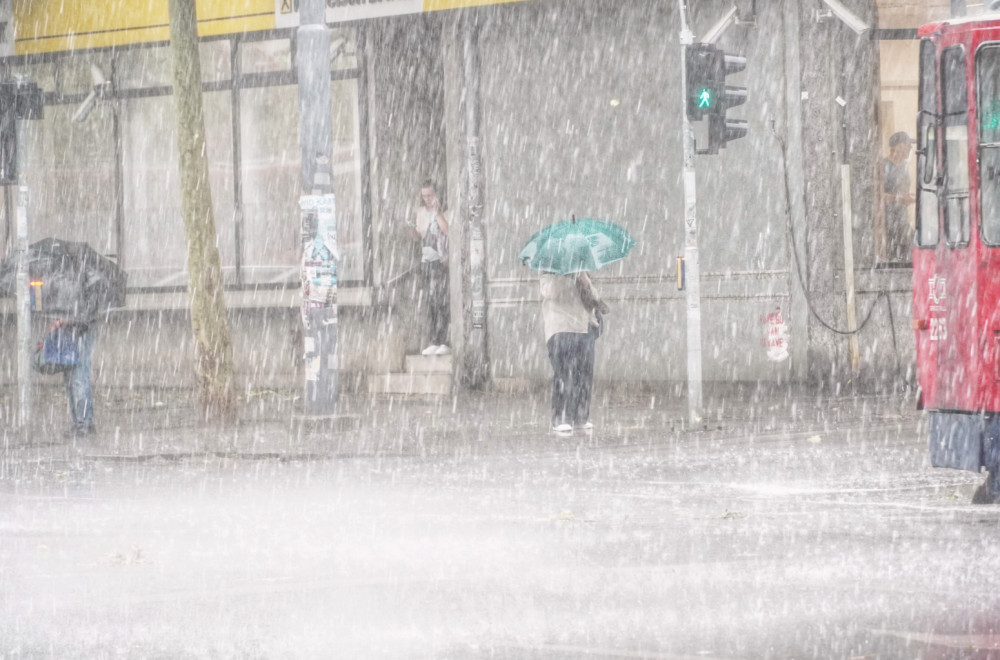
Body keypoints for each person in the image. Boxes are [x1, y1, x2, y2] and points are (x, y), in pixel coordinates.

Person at [540, 271, 608, 435]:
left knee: (584, 375)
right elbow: (552, 292)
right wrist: (570, 277)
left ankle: (580, 416)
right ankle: (561, 417)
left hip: (583, 328)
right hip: (560, 327)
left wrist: (585, 281)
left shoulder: (581, 269)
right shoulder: (549, 271)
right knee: (564, 373)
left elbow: (594, 298)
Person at [408, 179, 451, 356]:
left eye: (430, 195)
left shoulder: (445, 211)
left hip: (440, 262)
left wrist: (437, 212)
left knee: (441, 302)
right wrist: (412, 229)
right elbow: (418, 236)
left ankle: (444, 341)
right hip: (425, 262)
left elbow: (448, 231)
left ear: (437, 194)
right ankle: (434, 340)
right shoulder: (421, 212)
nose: (427, 199)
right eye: (424, 196)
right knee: (429, 303)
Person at [883, 131, 916, 263]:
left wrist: (910, 198)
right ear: (898, 146)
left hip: (902, 220)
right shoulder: (883, 166)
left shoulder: (904, 167)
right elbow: (876, 195)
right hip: (887, 222)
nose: (910, 148)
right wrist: (898, 198)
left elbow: (903, 192)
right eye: (908, 145)